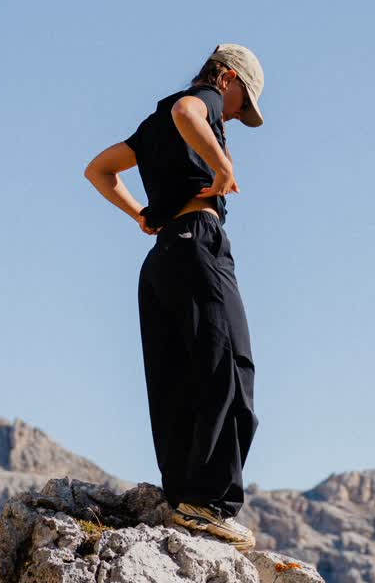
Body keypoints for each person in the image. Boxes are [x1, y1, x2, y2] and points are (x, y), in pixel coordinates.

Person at [83, 44, 266, 550]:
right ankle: (209, 502)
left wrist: (141, 215)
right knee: (230, 366)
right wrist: (222, 167)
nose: (234, 115)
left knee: (175, 378)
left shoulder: (151, 125)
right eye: (241, 102)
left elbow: (98, 169)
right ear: (227, 78)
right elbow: (189, 111)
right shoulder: (201, 101)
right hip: (199, 246)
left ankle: (184, 498)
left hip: (162, 257)